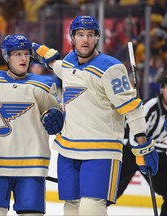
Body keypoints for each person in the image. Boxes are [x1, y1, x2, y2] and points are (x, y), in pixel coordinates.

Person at [32, 15, 159, 215]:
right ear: (72, 38)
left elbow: (132, 108)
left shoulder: (111, 68)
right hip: (68, 149)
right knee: (71, 208)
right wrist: (48, 57)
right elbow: (60, 68)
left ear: (97, 38)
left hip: (102, 151)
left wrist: (142, 144)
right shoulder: (69, 62)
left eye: (90, 35)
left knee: (91, 207)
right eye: (80, 34)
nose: (85, 40)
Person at [0, 34, 64, 215]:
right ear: (7, 57)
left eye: (26, 54)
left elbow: (56, 116)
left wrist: (56, 117)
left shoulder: (43, 85)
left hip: (32, 166)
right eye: (17, 54)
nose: (23, 58)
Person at [117, 75, 167, 216]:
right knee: (110, 193)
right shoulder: (151, 106)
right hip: (129, 152)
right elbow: (134, 137)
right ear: (162, 89)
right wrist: (147, 149)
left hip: (153, 154)